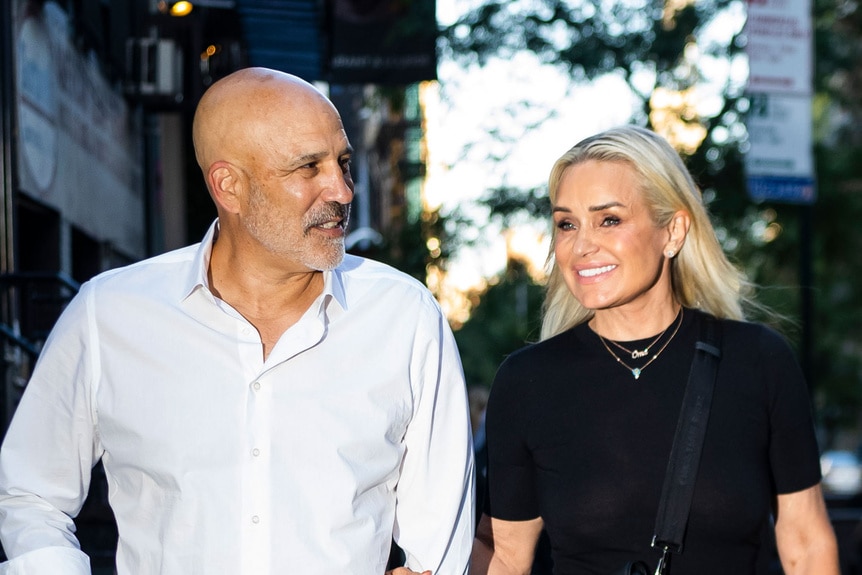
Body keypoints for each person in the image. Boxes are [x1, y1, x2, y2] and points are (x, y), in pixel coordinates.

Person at [0, 67, 474, 575]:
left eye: (342, 162)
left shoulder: (403, 317)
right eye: (308, 168)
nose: (342, 190)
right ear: (229, 186)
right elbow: (31, 495)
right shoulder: (109, 315)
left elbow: (439, 540)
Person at [470, 125, 839, 574]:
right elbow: (506, 555)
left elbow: (806, 544)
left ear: (674, 231)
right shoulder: (528, 382)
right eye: (567, 224)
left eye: (609, 219)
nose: (582, 246)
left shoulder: (758, 362)